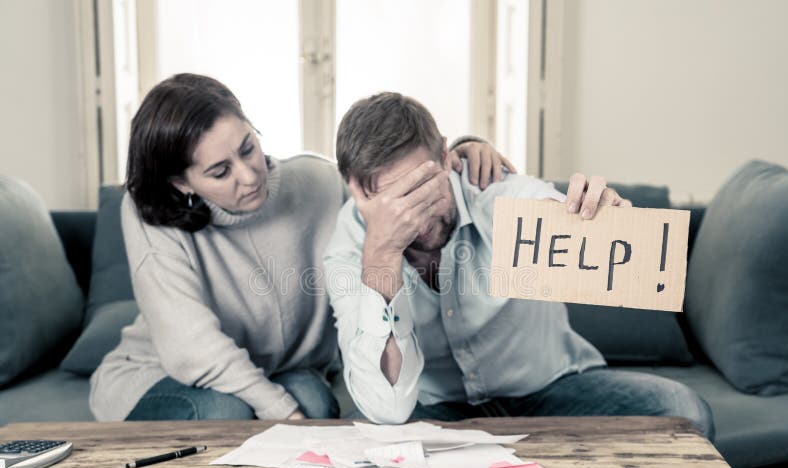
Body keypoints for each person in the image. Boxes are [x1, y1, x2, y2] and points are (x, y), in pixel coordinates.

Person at [89, 74, 513, 422]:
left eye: (248, 148)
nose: (249, 175)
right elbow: (191, 350)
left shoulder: (317, 182)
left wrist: (463, 152)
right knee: (227, 412)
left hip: (286, 371)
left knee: (316, 404)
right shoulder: (148, 215)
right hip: (167, 373)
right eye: (220, 171)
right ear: (181, 183)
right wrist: (283, 415)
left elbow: (394, 190)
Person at [323, 92, 715, 440]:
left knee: (684, 411)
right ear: (357, 192)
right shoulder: (349, 247)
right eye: (397, 204)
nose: (417, 220)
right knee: (371, 439)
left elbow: (541, 202)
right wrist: (381, 256)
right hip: (434, 408)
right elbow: (387, 408)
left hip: (550, 389)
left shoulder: (492, 190)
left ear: (446, 158)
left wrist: (600, 221)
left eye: (424, 191)